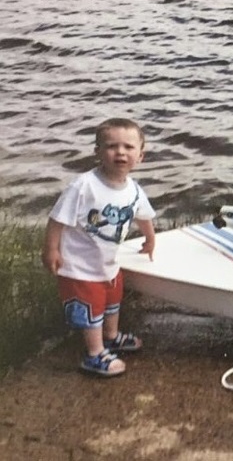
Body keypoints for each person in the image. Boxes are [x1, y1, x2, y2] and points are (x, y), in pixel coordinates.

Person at [42, 118, 156, 377]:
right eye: (112, 146)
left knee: (112, 301)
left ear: (140, 155)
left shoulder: (134, 190)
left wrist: (150, 238)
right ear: (98, 152)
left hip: (108, 263)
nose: (120, 152)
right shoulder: (83, 186)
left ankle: (112, 336)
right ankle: (94, 354)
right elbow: (57, 219)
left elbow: (142, 215)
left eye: (128, 147)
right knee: (91, 308)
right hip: (80, 266)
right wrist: (51, 249)